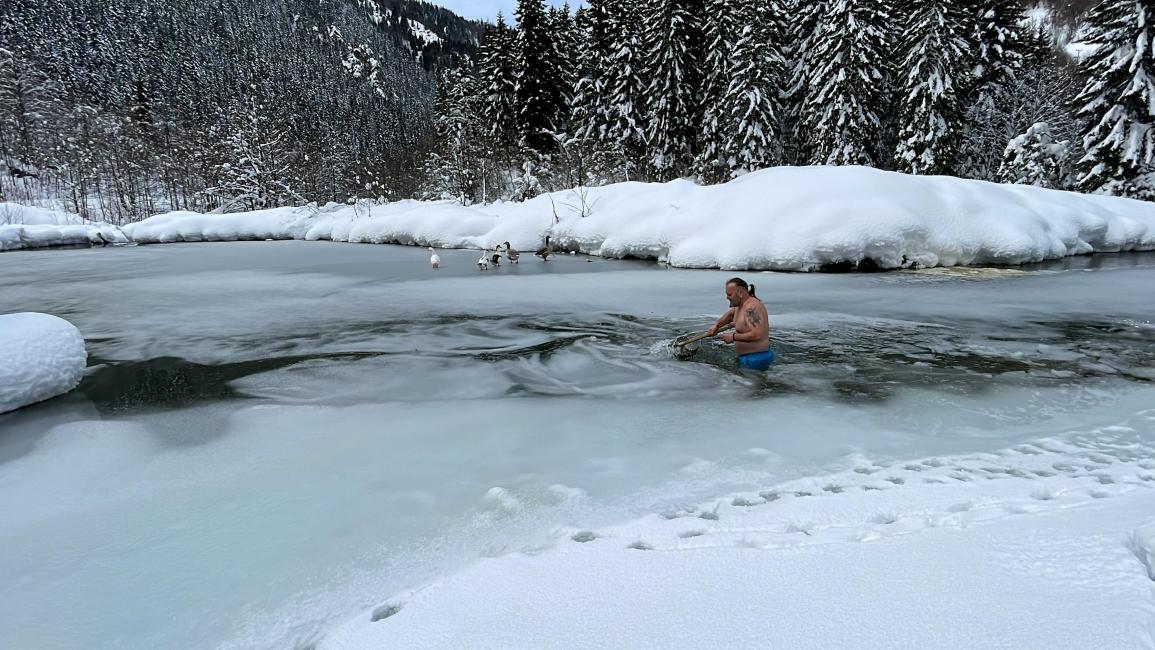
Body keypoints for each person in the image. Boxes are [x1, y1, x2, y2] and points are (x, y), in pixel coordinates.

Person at [706, 277, 774, 370]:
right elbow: (730, 315)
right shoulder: (739, 305)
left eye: (729, 294)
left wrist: (733, 337)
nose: (727, 297)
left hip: (756, 360)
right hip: (746, 358)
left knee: (755, 385)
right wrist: (716, 325)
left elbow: (758, 334)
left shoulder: (751, 308)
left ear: (740, 293)